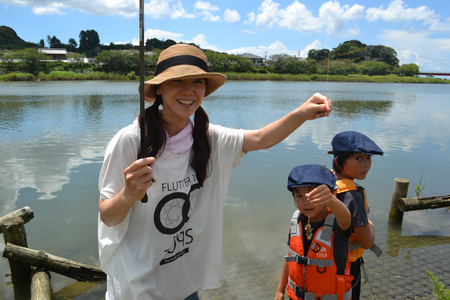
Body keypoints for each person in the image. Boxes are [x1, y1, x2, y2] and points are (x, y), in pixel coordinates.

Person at [97, 43, 332, 300]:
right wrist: (129, 194)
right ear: (160, 89)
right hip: (137, 285)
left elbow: (261, 138)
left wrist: (302, 113)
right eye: (178, 81)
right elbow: (108, 217)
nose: (189, 90)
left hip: (184, 283)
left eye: (198, 81)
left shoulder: (208, 137)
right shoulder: (131, 140)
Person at [274, 164, 353, 300]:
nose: (306, 202)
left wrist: (331, 199)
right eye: (299, 196)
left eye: (314, 195)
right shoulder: (297, 221)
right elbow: (290, 256)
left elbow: (346, 220)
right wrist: (280, 291)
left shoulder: (337, 223)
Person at [329, 131, 384, 300]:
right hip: (347, 266)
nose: (366, 164)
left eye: (368, 158)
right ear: (339, 161)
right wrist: (371, 225)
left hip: (323, 261)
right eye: (358, 158)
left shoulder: (325, 182)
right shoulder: (352, 196)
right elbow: (367, 243)